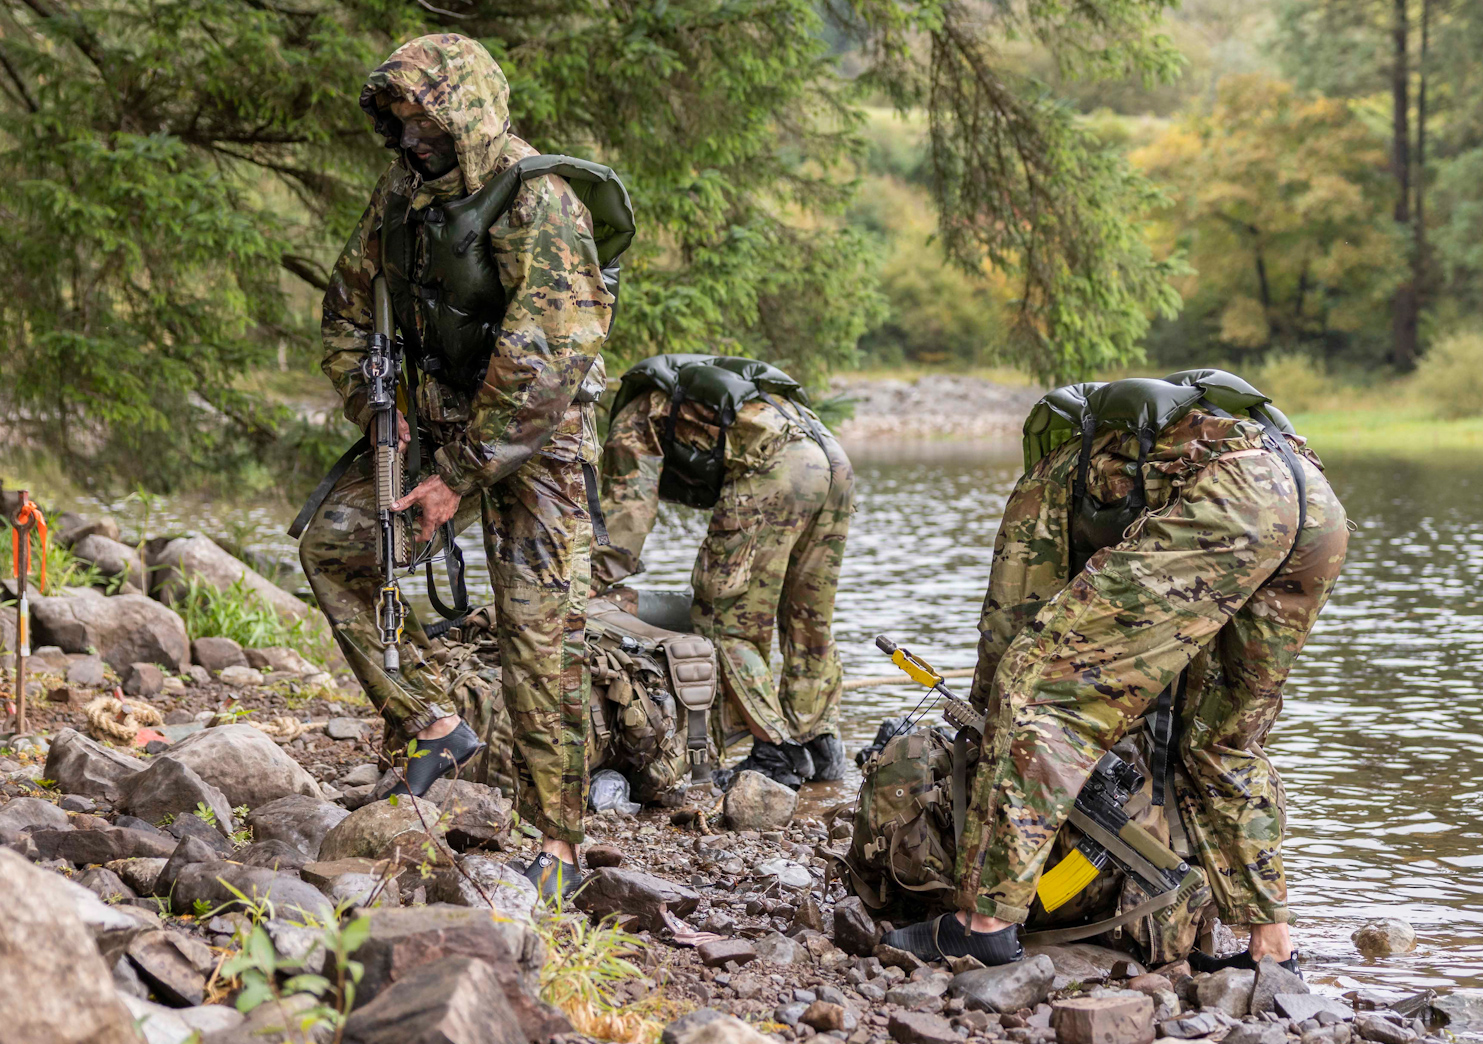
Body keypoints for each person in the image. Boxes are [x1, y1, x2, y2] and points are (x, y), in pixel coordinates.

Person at [882, 372, 1348, 966]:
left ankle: (983, 924)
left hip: (1232, 502)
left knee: (1037, 689)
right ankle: (1270, 945)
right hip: (1314, 501)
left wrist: (990, 729)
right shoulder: (1191, 438)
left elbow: (1009, 633)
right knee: (1223, 738)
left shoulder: (1049, 478)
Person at [297, 34, 614, 901]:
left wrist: (459, 475)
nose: (410, 138)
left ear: (467, 113)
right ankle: (432, 722)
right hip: (433, 428)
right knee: (334, 548)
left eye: (425, 119)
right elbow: (344, 314)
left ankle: (558, 845)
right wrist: (380, 415)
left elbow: (551, 352)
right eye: (397, 122)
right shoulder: (401, 194)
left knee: (542, 634)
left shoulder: (538, 200)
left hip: (536, 441)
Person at [594, 355, 854, 788]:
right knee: (807, 617)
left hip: (777, 470)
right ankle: (819, 744)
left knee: (724, 619)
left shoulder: (635, 415)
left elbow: (626, 516)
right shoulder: (708, 396)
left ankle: (774, 753)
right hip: (834, 463)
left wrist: (590, 582)